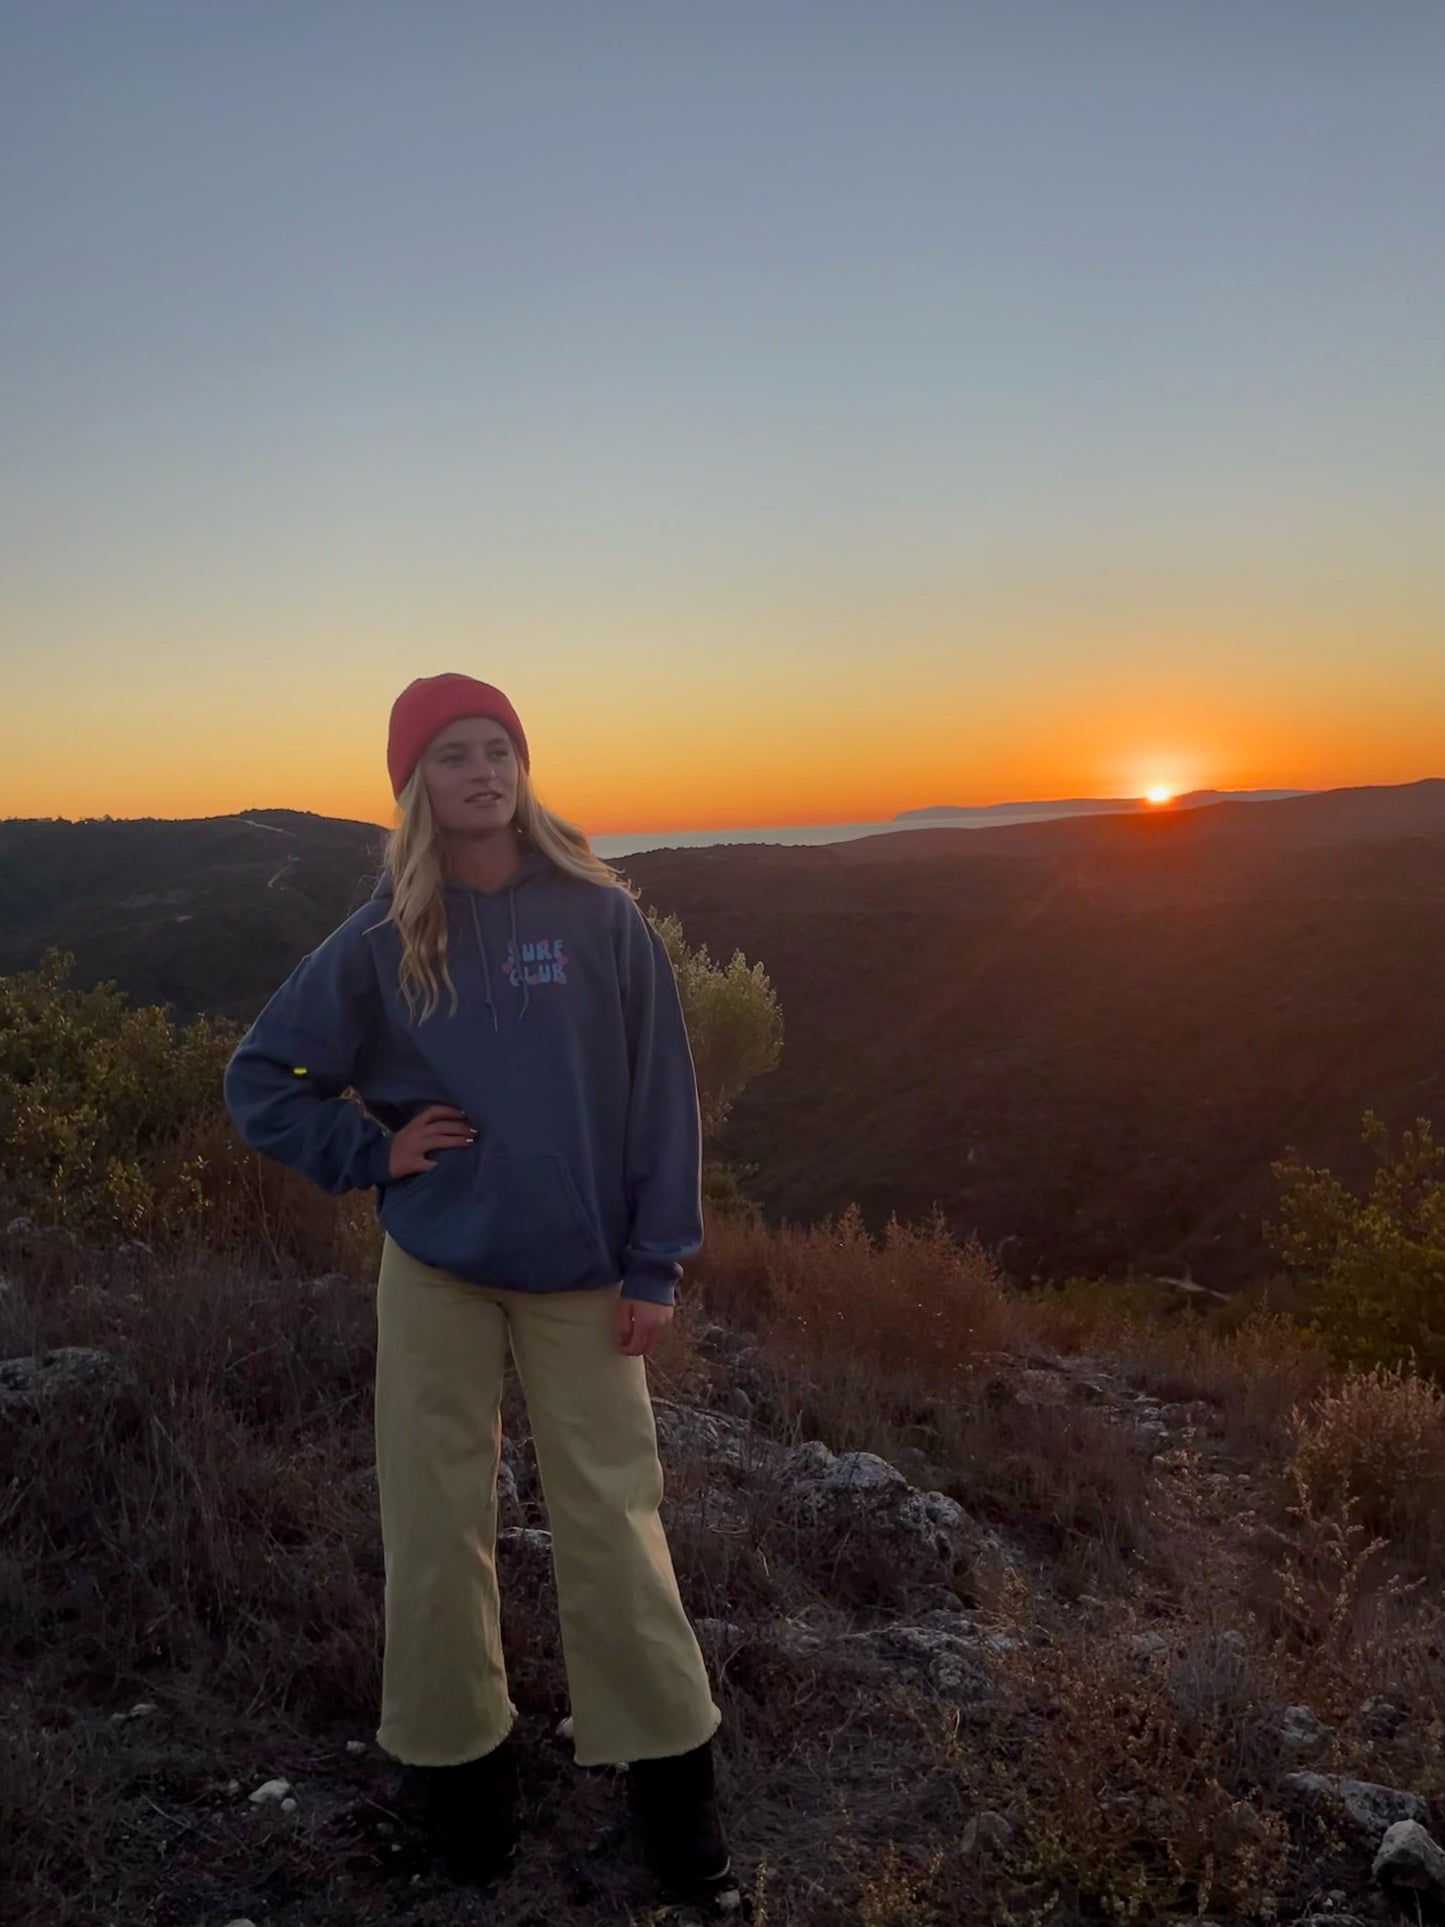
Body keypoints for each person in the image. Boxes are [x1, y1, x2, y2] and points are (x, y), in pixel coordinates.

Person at [222, 672, 738, 1910]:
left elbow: (659, 1095)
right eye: (452, 753)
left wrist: (654, 1260)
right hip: (439, 1270)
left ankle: (676, 1808)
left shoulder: (603, 917)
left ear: (523, 766)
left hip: (581, 1271)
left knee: (616, 1521)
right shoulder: (384, 934)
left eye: (498, 747)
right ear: (415, 782)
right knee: (434, 1525)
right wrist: (371, 1149)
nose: (482, 770)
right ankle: (465, 1802)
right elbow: (263, 1077)